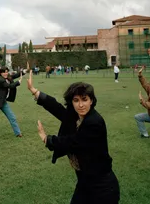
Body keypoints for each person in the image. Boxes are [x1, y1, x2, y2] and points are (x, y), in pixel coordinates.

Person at [26, 70, 120, 203]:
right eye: (76, 100)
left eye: (84, 100)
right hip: (84, 182)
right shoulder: (76, 116)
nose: (80, 105)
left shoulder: (94, 122)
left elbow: (73, 142)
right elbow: (57, 108)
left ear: (91, 101)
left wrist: (47, 139)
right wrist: (34, 91)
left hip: (102, 188)